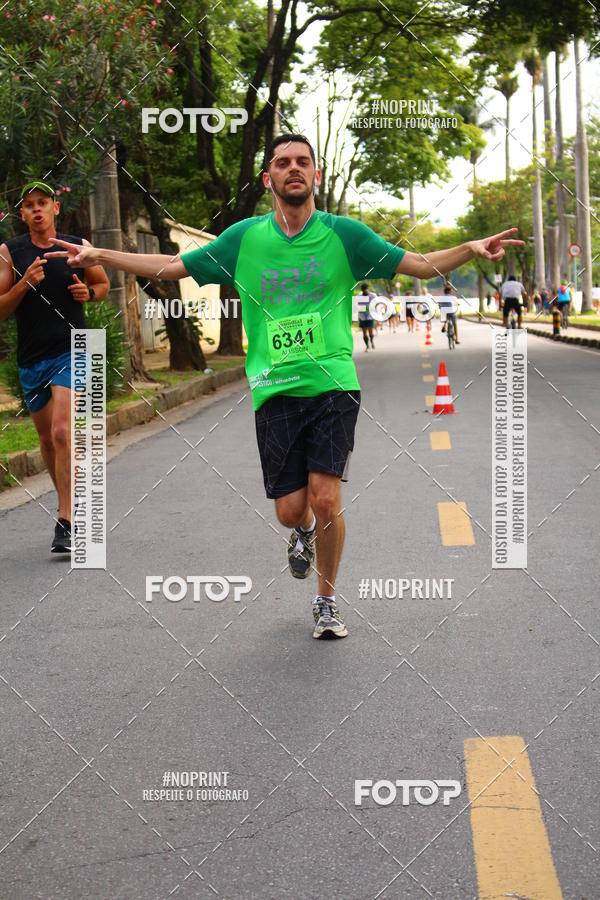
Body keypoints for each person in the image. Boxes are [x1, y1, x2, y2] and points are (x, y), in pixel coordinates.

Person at [46, 133, 524, 639]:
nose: (293, 169)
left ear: (316, 175)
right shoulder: (243, 238)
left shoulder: (346, 236)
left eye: (302, 162)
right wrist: (102, 253)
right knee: (291, 510)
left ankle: (326, 600)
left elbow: (418, 265)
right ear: (268, 178)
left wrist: (470, 249)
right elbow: (170, 267)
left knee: (325, 500)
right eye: (282, 163)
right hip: (274, 390)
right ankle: (299, 534)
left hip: (333, 382)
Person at [0, 181, 109, 553]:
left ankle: (66, 519)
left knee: (63, 432)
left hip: (73, 348)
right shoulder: (9, 252)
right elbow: (1, 308)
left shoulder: (75, 245)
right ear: (22, 214)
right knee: (47, 440)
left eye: (43, 203)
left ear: (55, 208)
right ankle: (68, 502)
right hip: (32, 358)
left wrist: (88, 294)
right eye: (29, 205)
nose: (37, 210)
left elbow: (102, 283)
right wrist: (24, 283)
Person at [356, 282, 376, 350]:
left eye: (366, 291)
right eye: (364, 291)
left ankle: (372, 341)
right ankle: (367, 345)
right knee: (364, 332)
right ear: (362, 291)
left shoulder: (373, 295)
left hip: (370, 316)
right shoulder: (359, 297)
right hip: (362, 317)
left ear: (368, 289)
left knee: (370, 331)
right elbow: (356, 306)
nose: (365, 292)